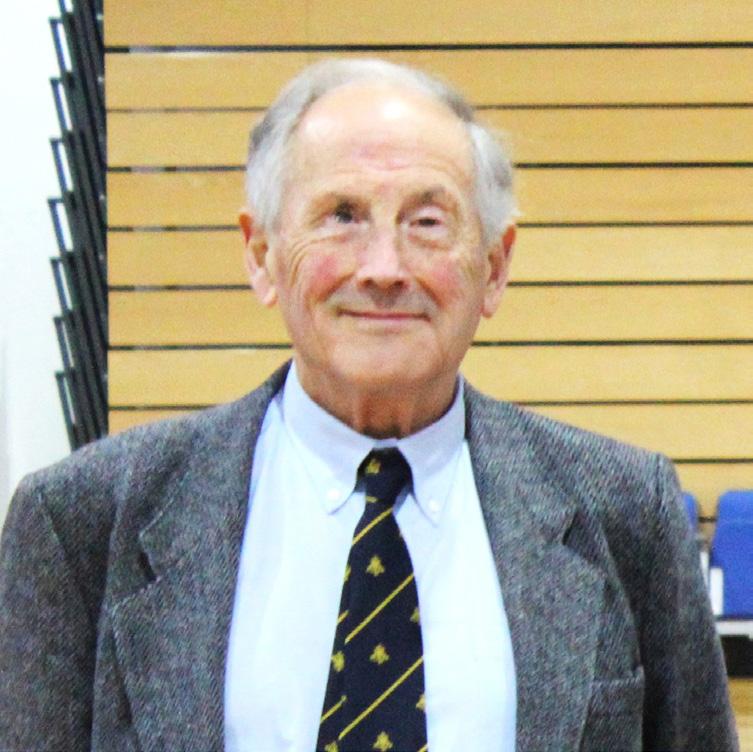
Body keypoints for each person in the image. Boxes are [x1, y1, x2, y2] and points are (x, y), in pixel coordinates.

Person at [0, 58, 737, 752]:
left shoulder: (623, 512)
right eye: (342, 215)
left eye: (427, 222)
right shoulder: (82, 521)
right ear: (260, 256)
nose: (384, 268)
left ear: (494, 267)